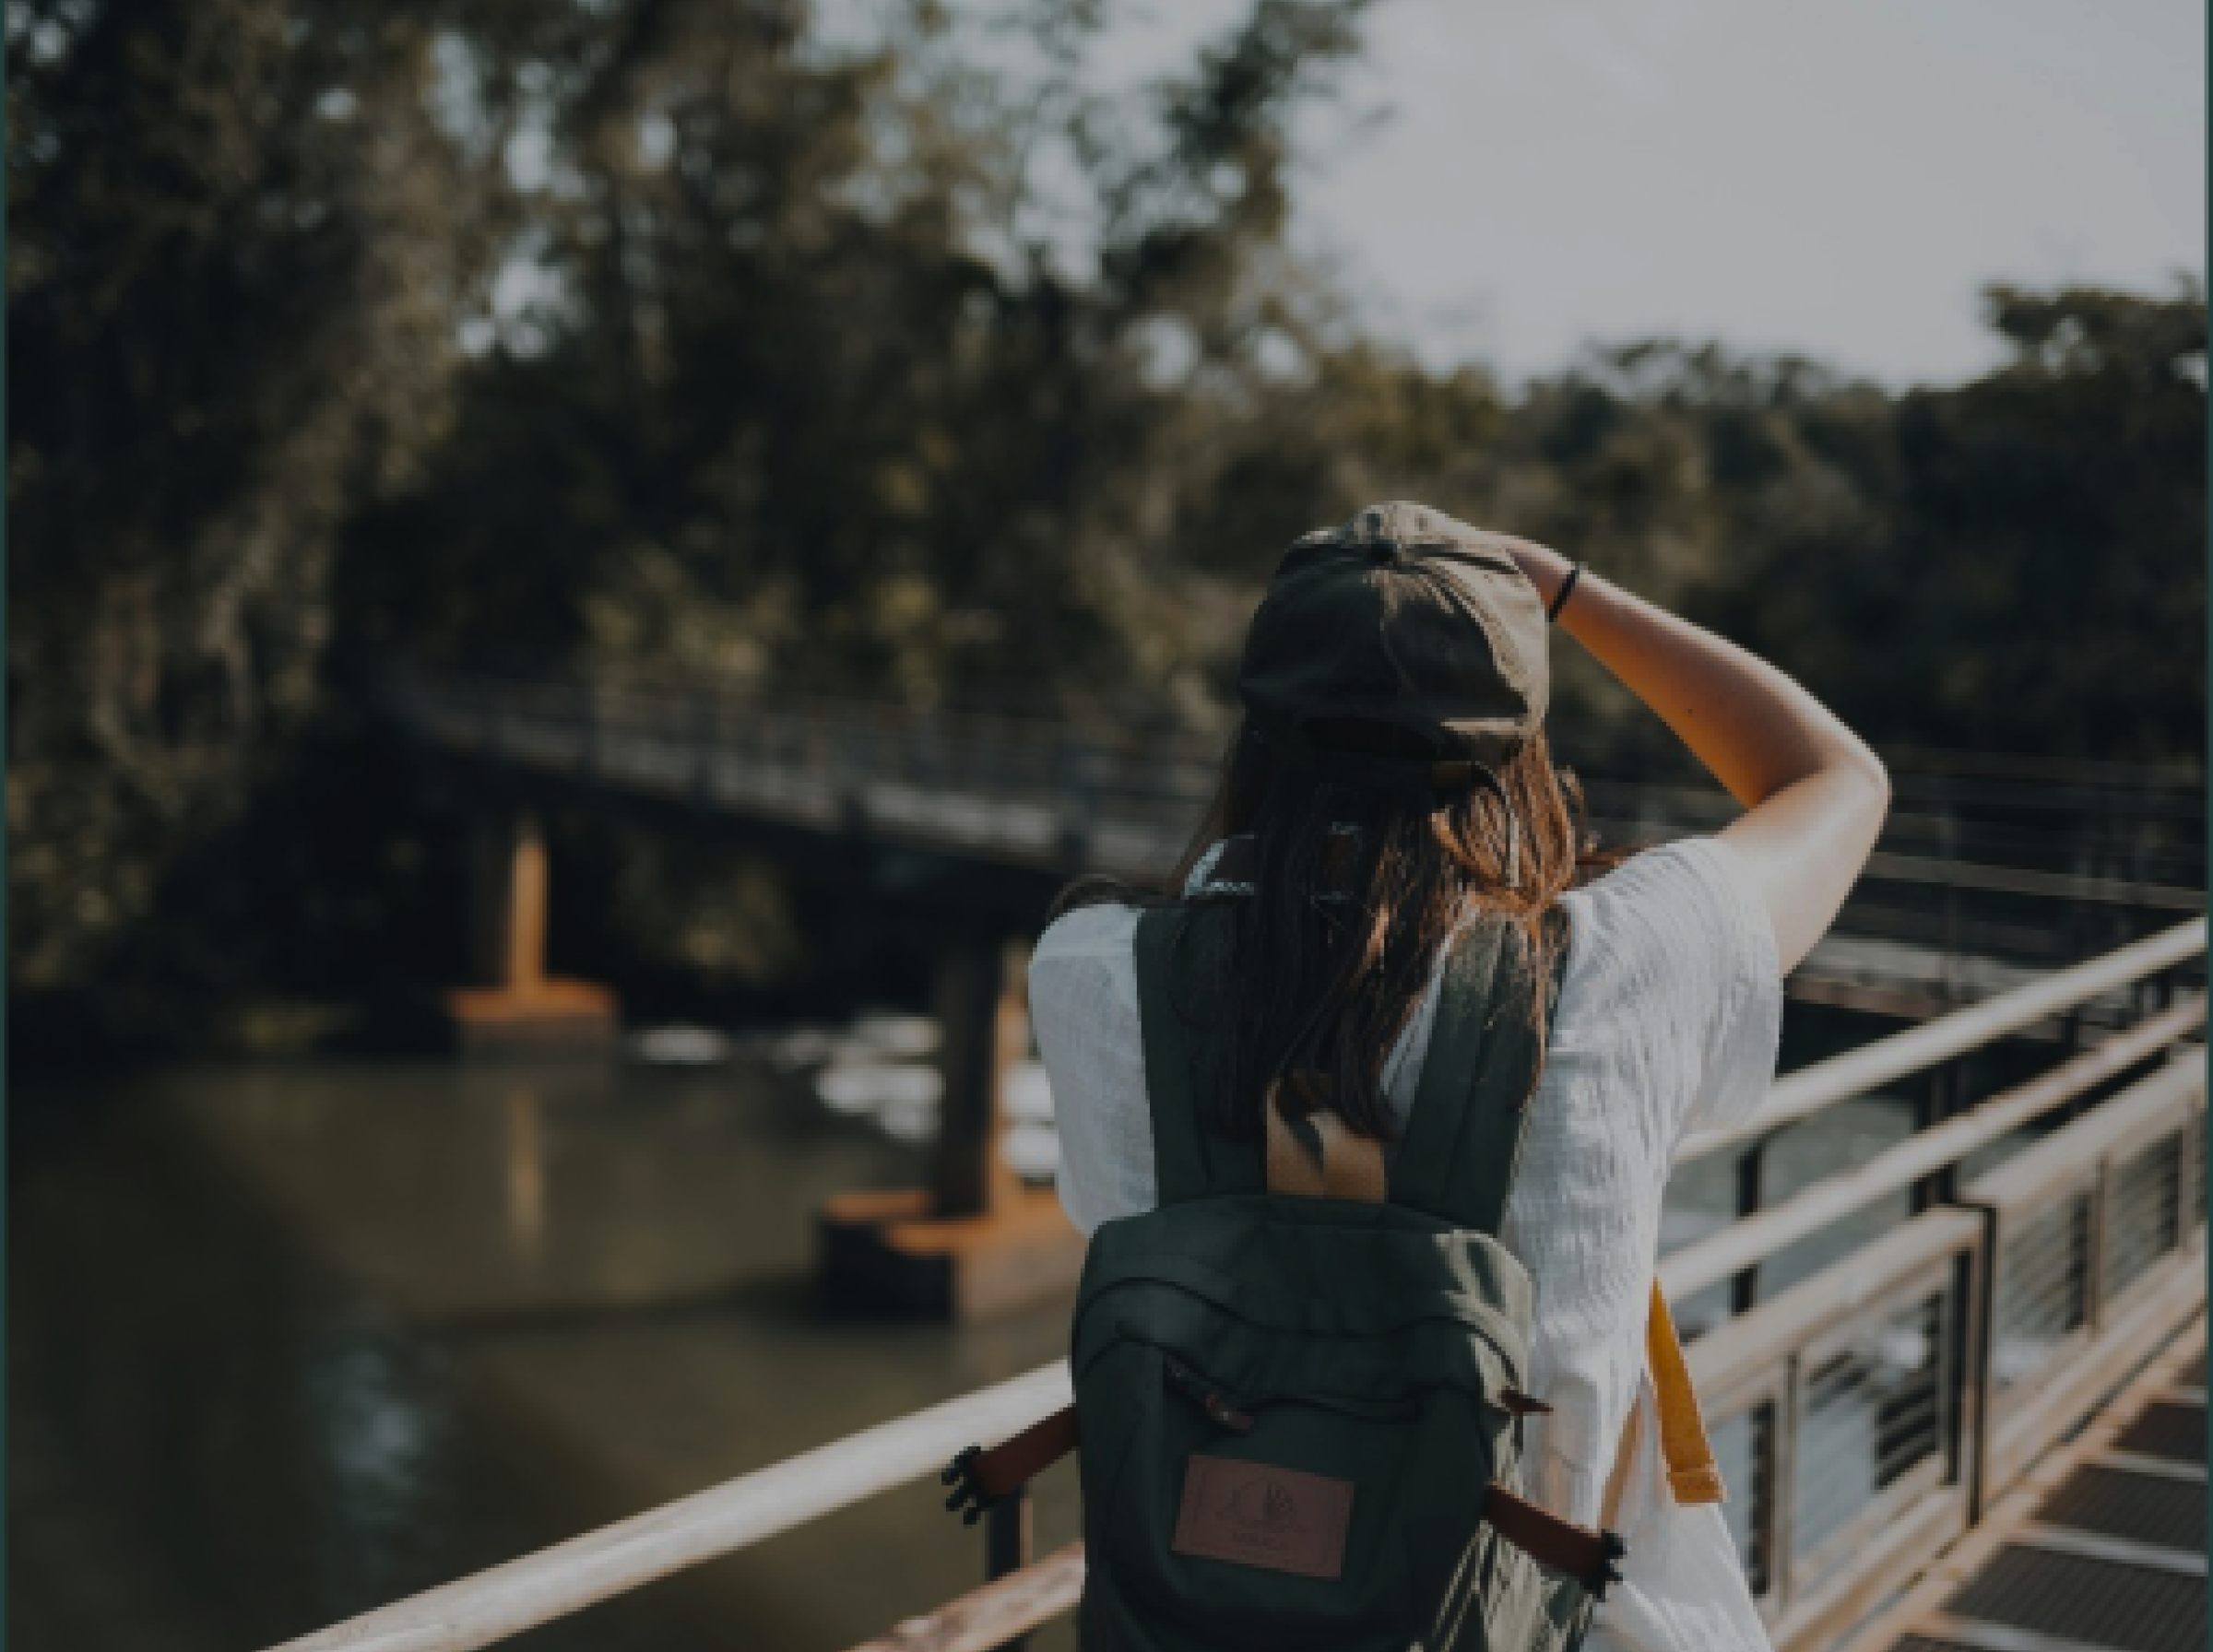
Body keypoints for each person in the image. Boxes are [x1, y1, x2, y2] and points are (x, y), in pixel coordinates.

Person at [1026, 501, 1888, 1652]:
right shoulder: (1623, 968)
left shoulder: (1094, 975)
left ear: (1257, 736)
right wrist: (1566, 590)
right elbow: (1835, 774)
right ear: (1519, 750)